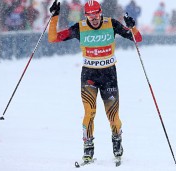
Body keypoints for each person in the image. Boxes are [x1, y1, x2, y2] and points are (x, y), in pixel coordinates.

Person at [48, 0, 142, 163]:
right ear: (86, 16)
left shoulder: (111, 24)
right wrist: (54, 17)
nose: (94, 19)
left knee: (112, 116)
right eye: (90, 16)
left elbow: (137, 39)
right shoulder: (80, 27)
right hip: (89, 76)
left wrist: (132, 26)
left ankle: (117, 140)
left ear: (101, 12)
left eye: (97, 14)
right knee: (89, 112)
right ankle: (88, 148)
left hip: (109, 76)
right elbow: (53, 38)